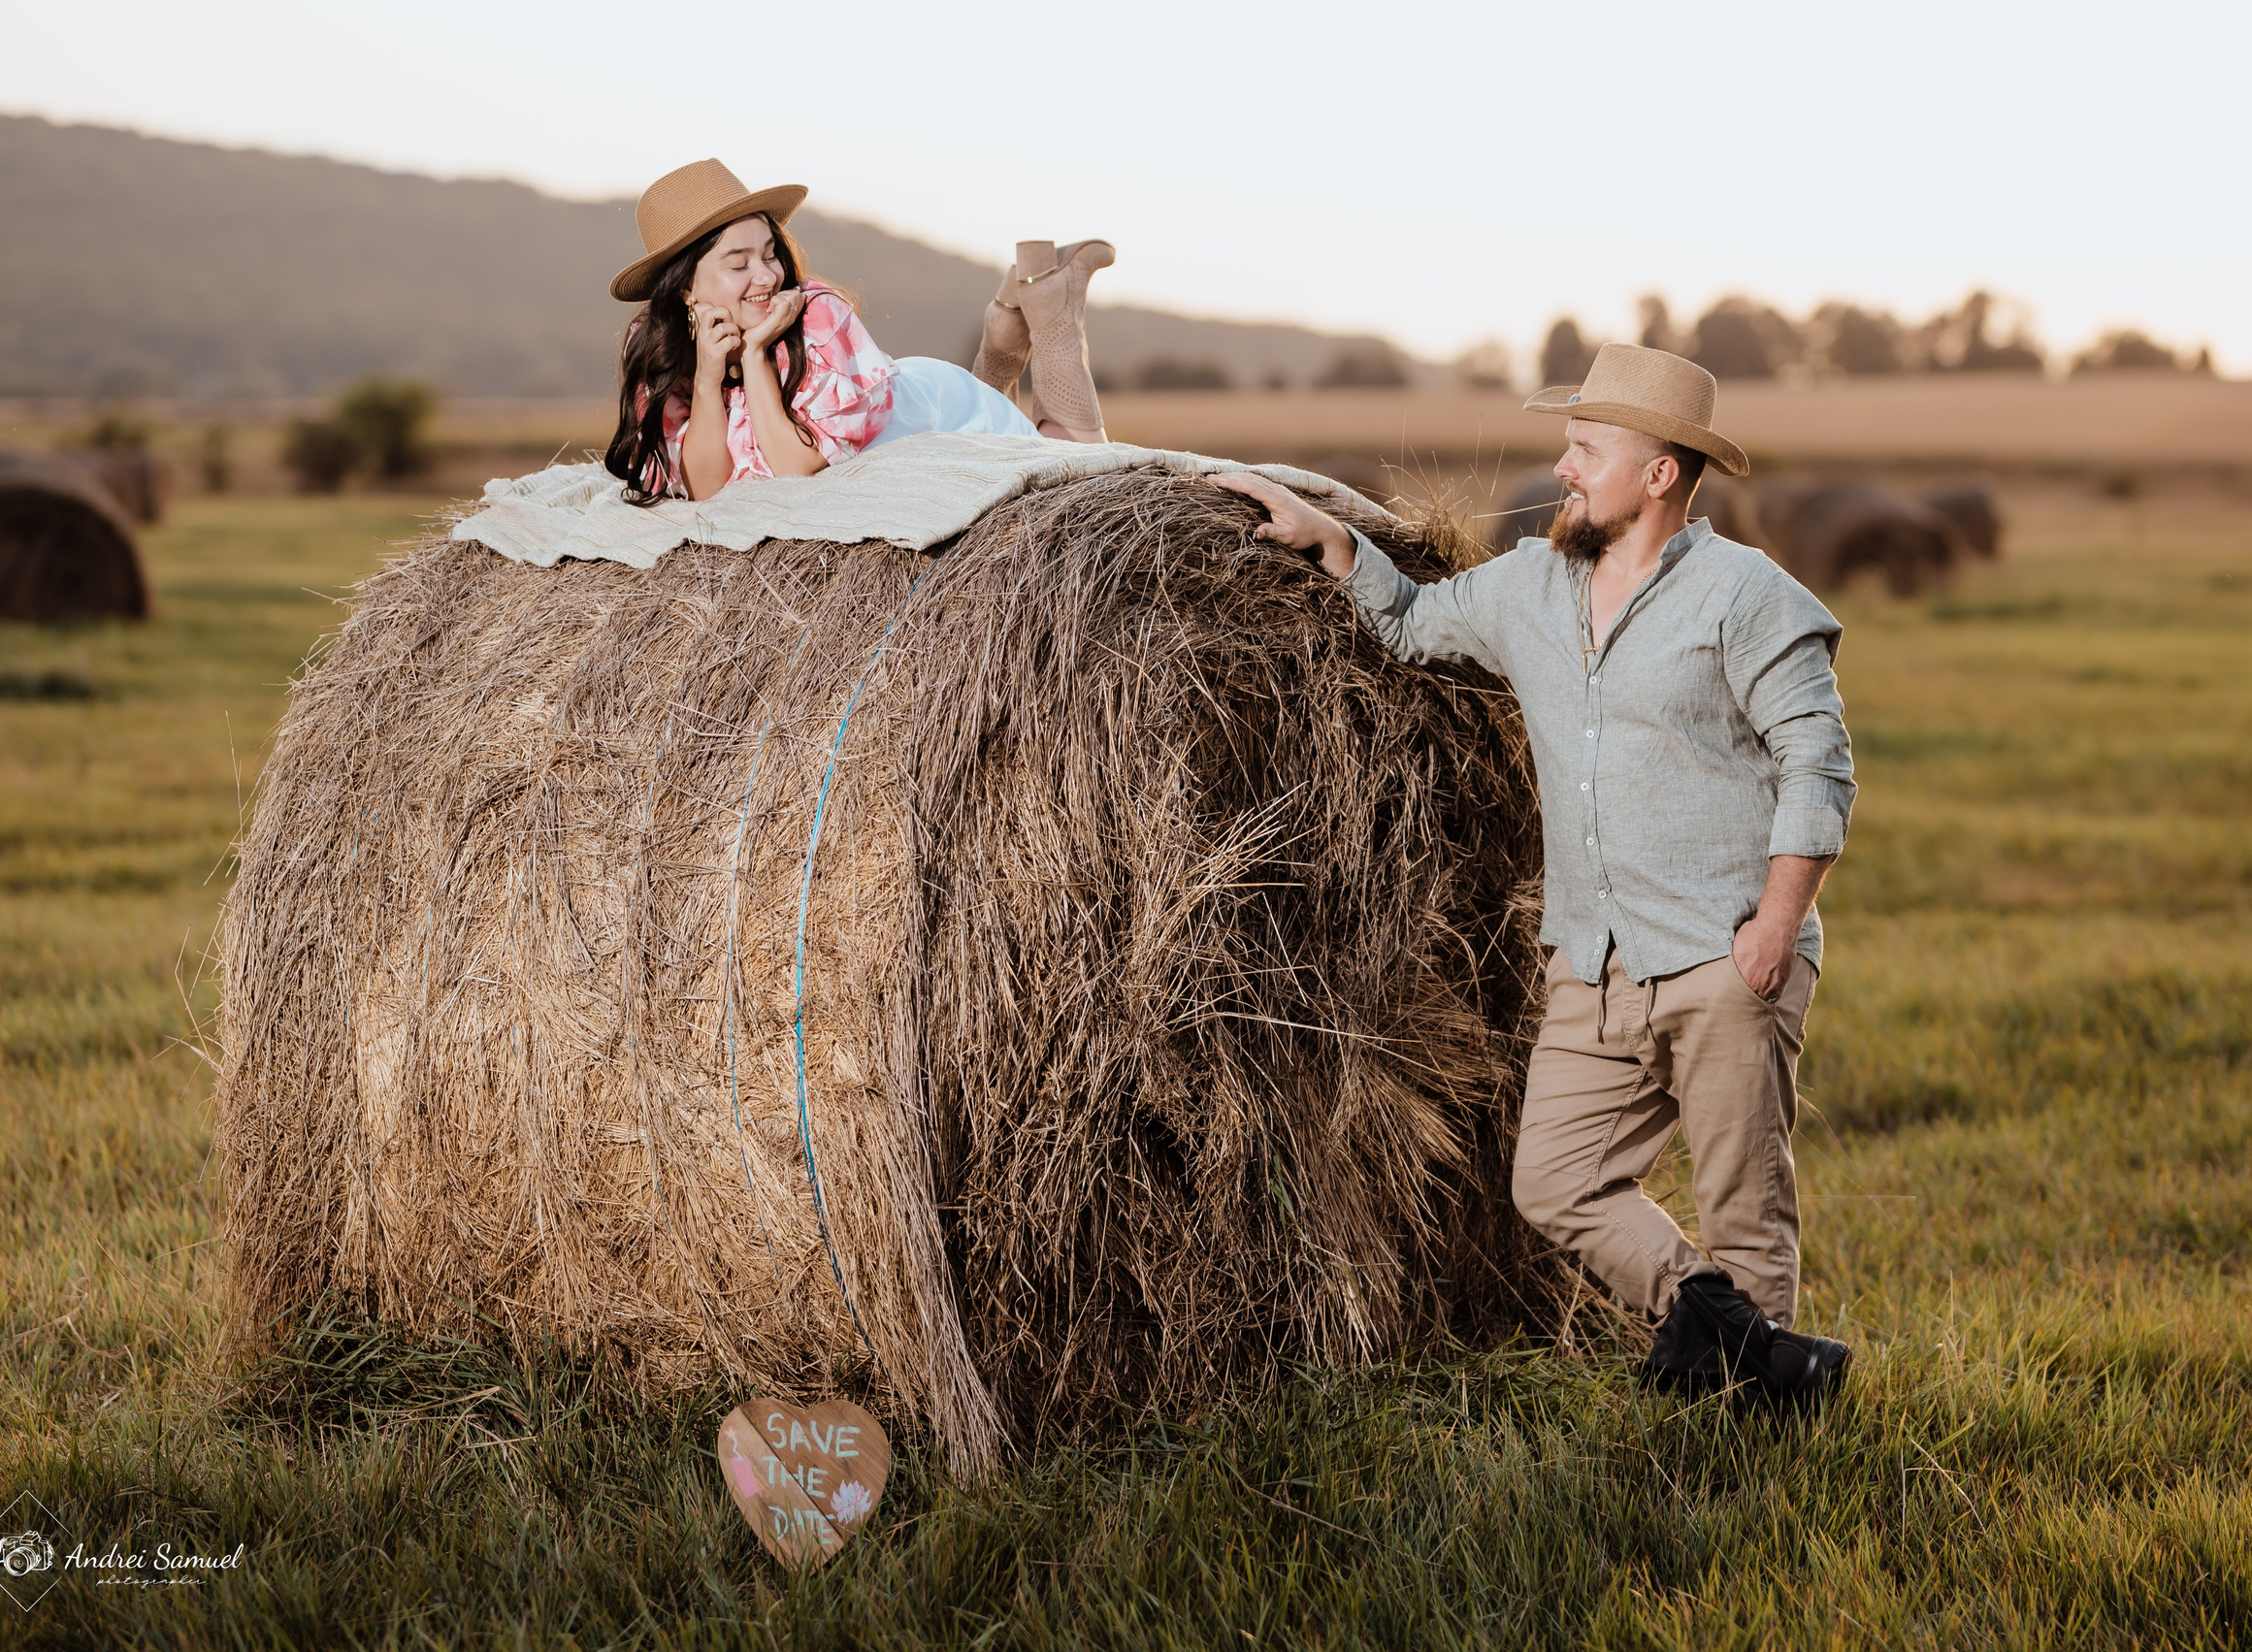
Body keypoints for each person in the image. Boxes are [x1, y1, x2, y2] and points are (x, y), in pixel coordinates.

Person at [1211, 344, 1859, 1406]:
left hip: (1723, 952)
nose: (1561, 467)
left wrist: (1775, 927)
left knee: (1742, 1201)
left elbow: (1818, 764)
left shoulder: (1749, 597)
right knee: (1552, 1180)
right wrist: (1329, 538)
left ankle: (1751, 1425)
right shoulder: (1526, 589)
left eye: (1586, 448)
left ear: (1657, 474)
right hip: (1591, 961)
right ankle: (1762, 1355)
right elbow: (1414, 626)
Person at [603, 159, 1114, 503]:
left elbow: (793, 470)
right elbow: (707, 490)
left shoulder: (815, 312)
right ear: (686, 288)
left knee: (1088, 470)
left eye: (768, 253)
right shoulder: (658, 347)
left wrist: (756, 354)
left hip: (947, 415)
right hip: (915, 415)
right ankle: (1008, 323)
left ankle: (1053, 307)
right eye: (739, 264)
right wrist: (711, 376)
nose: (768, 276)